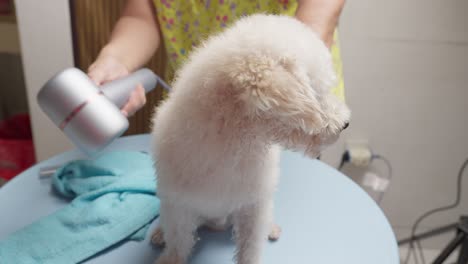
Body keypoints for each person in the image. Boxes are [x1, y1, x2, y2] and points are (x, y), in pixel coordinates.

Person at [88, 0, 346, 117]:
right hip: (195, 104)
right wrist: (117, 59)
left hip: (280, 102)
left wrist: (283, 82)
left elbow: (316, 19)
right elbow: (141, 17)